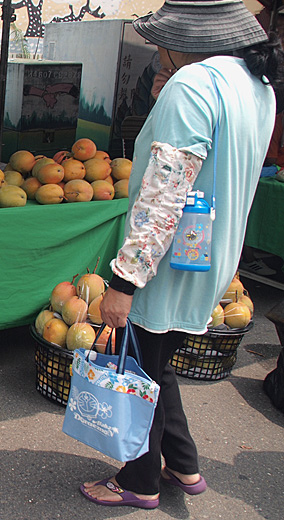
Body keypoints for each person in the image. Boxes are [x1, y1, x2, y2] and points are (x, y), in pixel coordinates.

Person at [80, 0, 284, 510]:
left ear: (188, 38)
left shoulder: (195, 85)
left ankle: (140, 481)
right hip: (211, 255)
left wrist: (125, 281)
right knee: (158, 360)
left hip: (166, 262)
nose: (158, 48)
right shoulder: (254, 85)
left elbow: (164, 192)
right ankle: (185, 465)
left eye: (162, 41)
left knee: (141, 370)